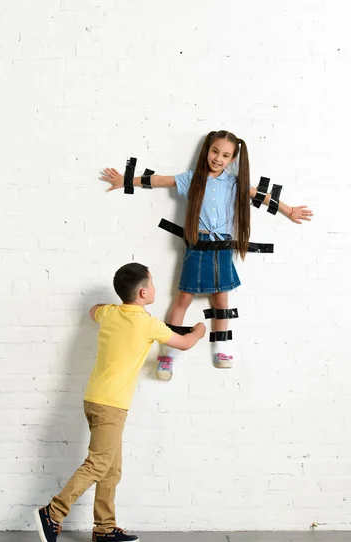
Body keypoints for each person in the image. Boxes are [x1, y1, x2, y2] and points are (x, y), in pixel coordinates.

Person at [101, 130, 313, 377]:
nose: (218, 158)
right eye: (215, 151)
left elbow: (261, 196)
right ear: (207, 151)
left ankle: (221, 346)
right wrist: (126, 180)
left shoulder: (235, 184)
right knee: (182, 299)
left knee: (222, 299)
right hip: (197, 245)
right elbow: (159, 180)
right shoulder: (192, 179)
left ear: (233, 159)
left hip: (221, 248)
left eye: (225, 155)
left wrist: (288, 210)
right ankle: (168, 354)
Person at [34, 262, 206, 542]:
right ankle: (53, 512)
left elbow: (93, 310)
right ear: (142, 292)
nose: (154, 287)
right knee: (99, 464)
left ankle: (105, 529)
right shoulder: (148, 324)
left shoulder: (110, 313)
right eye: (151, 283)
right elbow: (185, 343)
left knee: (111, 468)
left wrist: (112, 306)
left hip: (95, 399)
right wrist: (201, 329)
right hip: (111, 405)